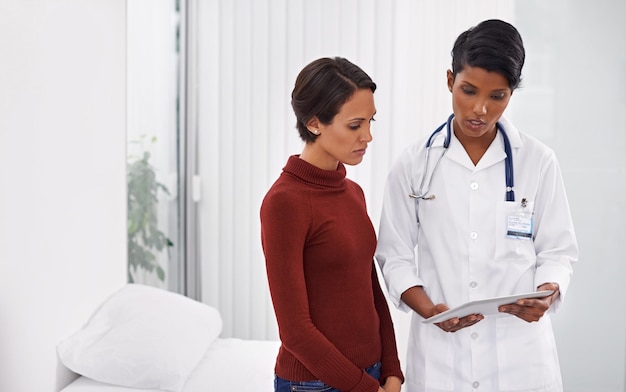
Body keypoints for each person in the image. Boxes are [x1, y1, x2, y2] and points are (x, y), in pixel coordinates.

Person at [375, 19, 578, 392]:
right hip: (441, 359)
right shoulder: (413, 163)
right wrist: (426, 308)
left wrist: (546, 292)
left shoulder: (538, 160)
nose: (480, 109)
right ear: (449, 79)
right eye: (468, 90)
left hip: (521, 361)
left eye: (497, 96)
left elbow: (558, 251)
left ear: (511, 94)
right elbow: (395, 256)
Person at [260, 57, 404, 392]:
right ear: (314, 124)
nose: (367, 136)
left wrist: (392, 370)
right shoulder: (284, 203)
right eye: (355, 125)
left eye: (371, 122)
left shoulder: (352, 192)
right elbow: (295, 330)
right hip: (315, 384)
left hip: (373, 373)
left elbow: (370, 290)